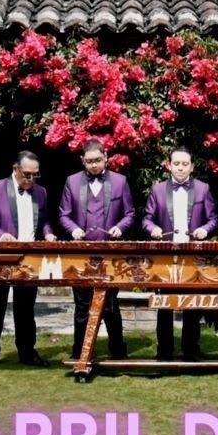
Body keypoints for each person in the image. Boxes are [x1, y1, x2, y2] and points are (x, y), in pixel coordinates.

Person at [0, 150, 56, 369]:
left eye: (35, 175)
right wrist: (0, 235)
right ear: (15, 169)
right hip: (0, 257)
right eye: (27, 174)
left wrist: (48, 233)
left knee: (26, 309)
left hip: (29, 258)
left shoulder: (42, 192)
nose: (31, 179)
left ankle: (27, 353)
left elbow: (44, 220)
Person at [59, 139, 133, 361]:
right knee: (82, 306)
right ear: (82, 160)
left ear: (106, 157)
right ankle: (79, 353)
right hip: (81, 254)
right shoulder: (71, 182)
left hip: (110, 254)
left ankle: (118, 352)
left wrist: (119, 228)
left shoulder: (120, 182)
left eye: (97, 160)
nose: (93, 165)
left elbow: (130, 214)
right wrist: (72, 230)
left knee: (110, 305)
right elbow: (64, 214)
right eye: (89, 161)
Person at [142, 146, 218, 361]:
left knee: (192, 304)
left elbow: (213, 219)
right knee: (164, 305)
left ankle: (191, 350)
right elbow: (146, 219)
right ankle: (164, 351)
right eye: (177, 163)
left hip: (193, 255)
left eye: (185, 164)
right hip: (167, 256)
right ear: (169, 165)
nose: (181, 168)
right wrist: (153, 229)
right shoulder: (157, 190)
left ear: (192, 167)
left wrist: (205, 230)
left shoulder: (203, 189)